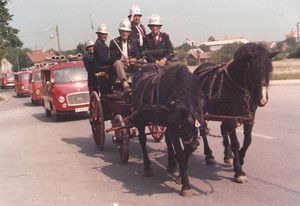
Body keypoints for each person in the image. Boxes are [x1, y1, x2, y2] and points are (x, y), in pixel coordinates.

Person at [109, 18, 142, 93]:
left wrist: (134, 59)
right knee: (117, 63)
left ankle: (142, 81)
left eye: (126, 31)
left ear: (129, 33)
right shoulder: (114, 42)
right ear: (120, 32)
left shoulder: (133, 42)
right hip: (121, 65)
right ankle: (124, 83)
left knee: (143, 61)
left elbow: (138, 55)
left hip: (131, 64)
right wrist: (121, 59)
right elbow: (112, 58)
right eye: (123, 31)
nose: (124, 33)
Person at [93, 24, 113, 94]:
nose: (104, 36)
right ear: (98, 34)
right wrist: (114, 59)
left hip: (106, 67)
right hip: (103, 69)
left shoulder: (102, 44)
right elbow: (103, 59)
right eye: (102, 34)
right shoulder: (98, 45)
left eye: (105, 34)